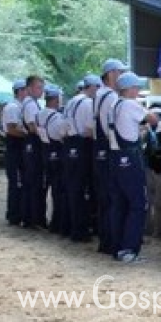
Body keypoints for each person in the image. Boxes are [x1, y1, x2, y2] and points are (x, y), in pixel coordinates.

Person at [109, 72, 159, 262]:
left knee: (119, 204)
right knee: (138, 204)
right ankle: (130, 249)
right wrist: (155, 113)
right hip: (129, 159)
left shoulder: (114, 104)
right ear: (129, 89)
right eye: (136, 87)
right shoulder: (130, 104)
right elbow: (152, 119)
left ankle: (118, 248)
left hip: (115, 157)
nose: (138, 91)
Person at [93, 59, 128, 255]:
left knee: (106, 199)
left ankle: (107, 240)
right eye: (120, 72)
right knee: (113, 199)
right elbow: (110, 129)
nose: (122, 76)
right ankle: (113, 242)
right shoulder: (110, 97)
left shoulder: (100, 95)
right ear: (112, 74)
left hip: (100, 149)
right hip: (108, 149)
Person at [64, 75, 100, 242]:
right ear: (91, 87)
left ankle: (73, 226)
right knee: (83, 189)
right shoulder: (87, 103)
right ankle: (82, 230)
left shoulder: (71, 101)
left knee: (73, 189)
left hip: (70, 145)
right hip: (82, 146)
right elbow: (89, 130)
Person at [37, 85, 67, 236]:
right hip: (56, 153)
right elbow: (61, 134)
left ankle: (45, 219)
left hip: (45, 151)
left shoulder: (40, 114)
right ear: (55, 99)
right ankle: (58, 222)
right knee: (58, 190)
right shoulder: (56, 117)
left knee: (47, 188)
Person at [21, 75, 46, 229]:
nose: (41, 91)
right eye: (38, 87)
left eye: (42, 88)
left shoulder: (33, 103)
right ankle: (33, 218)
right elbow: (32, 127)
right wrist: (46, 134)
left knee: (32, 181)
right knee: (34, 181)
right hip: (33, 143)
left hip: (32, 144)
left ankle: (30, 217)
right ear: (29, 88)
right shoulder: (30, 104)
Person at [2, 79, 27, 226]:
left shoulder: (20, 107)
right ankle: (14, 214)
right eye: (25, 89)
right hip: (14, 147)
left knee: (18, 182)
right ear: (19, 91)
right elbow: (11, 128)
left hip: (17, 147)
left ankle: (16, 212)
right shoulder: (13, 107)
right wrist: (27, 135)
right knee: (16, 182)